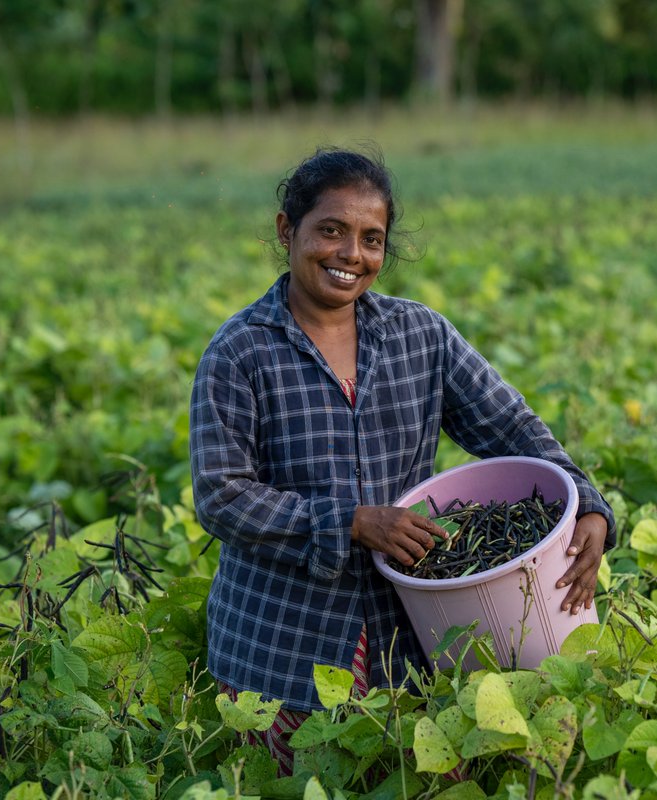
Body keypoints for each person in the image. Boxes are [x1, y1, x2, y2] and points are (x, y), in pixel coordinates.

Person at [189, 147, 614, 774]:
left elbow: (510, 426)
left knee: (411, 781)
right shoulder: (240, 351)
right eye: (329, 230)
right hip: (278, 650)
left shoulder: (421, 335)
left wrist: (588, 503)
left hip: (413, 635)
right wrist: (352, 522)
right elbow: (222, 496)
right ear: (288, 230)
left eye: (371, 239)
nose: (349, 255)